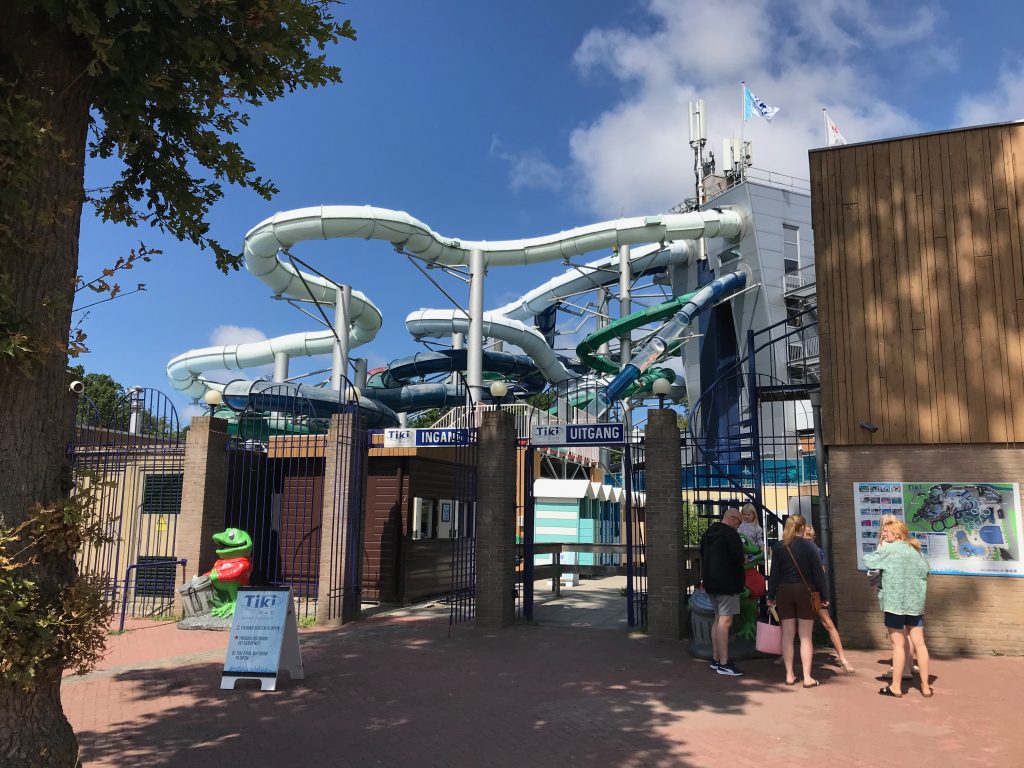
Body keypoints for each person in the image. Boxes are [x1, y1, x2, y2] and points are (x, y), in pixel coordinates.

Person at [863, 519, 933, 698]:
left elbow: (869, 561)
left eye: (886, 531)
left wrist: (883, 546)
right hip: (914, 604)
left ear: (897, 533)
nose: (883, 534)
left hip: (895, 604)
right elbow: (926, 569)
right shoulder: (915, 551)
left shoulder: (890, 550)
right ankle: (925, 686)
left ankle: (896, 686)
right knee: (920, 644)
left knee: (898, 645)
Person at [767, 514, 829, 688]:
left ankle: (789, 675)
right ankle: (807, 677)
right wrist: (823, 596)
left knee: (787, 635)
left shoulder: (779, 546)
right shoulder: (809, 546)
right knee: (805, 636)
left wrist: (771, 595)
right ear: (802, 528)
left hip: (784, 590)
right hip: (804, 589)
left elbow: (774, 574)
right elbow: (818, 573)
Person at [699, 506, 746, 676]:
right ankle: (724, 663)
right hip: (727, 583)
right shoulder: (731, 535)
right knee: (725, 622)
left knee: (717, 619)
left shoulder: (708, 533)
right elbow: (738, 558)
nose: (739, 526)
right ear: (733, 518)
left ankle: (716, 657)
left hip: (711, 583)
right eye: (739, 522)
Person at [803, 525, 856, 674]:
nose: (807, 540)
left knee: (827, 623)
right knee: (794, 624)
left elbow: (822, 572)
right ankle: (784, 655)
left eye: (809, 537)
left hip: (813, 592)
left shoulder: (817, 551)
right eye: (804, 537)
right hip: (802, 591)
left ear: (813, 538)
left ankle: (843, 657)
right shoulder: (799, 550)